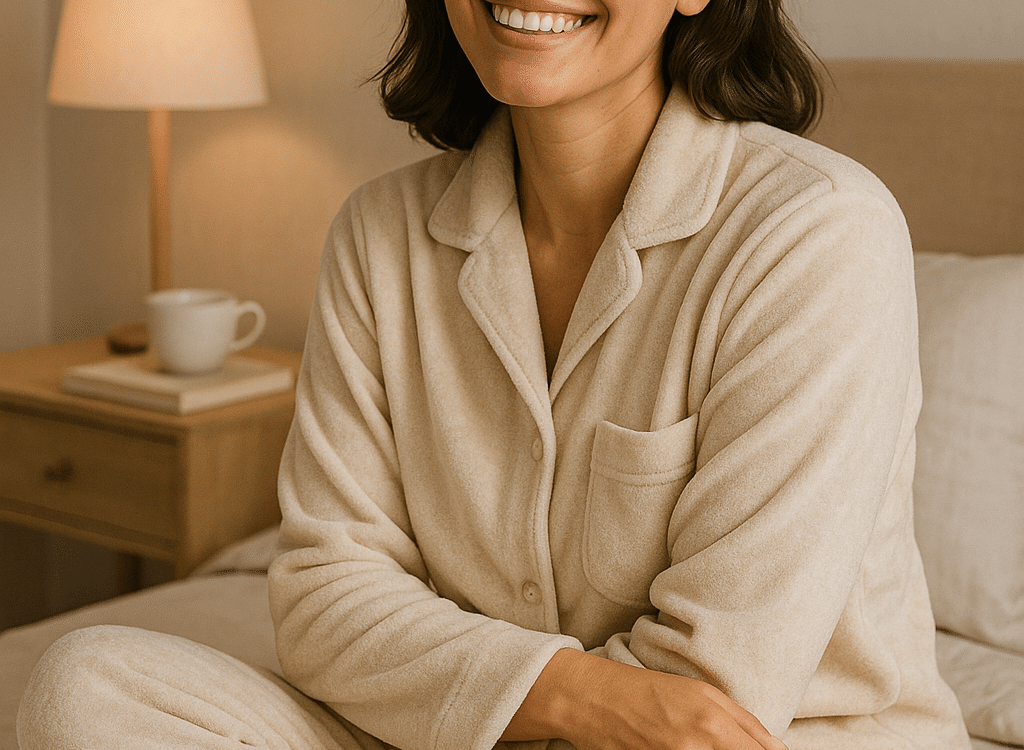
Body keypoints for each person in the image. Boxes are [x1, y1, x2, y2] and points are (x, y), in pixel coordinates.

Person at [18, 1, 972, 748]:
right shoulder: (376, 235)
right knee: (87, 688)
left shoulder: (817, 233)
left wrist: (516, 696)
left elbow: (704, 709)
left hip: (772, 741)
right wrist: (574, 693)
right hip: (459, 733)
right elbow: (321, 598)